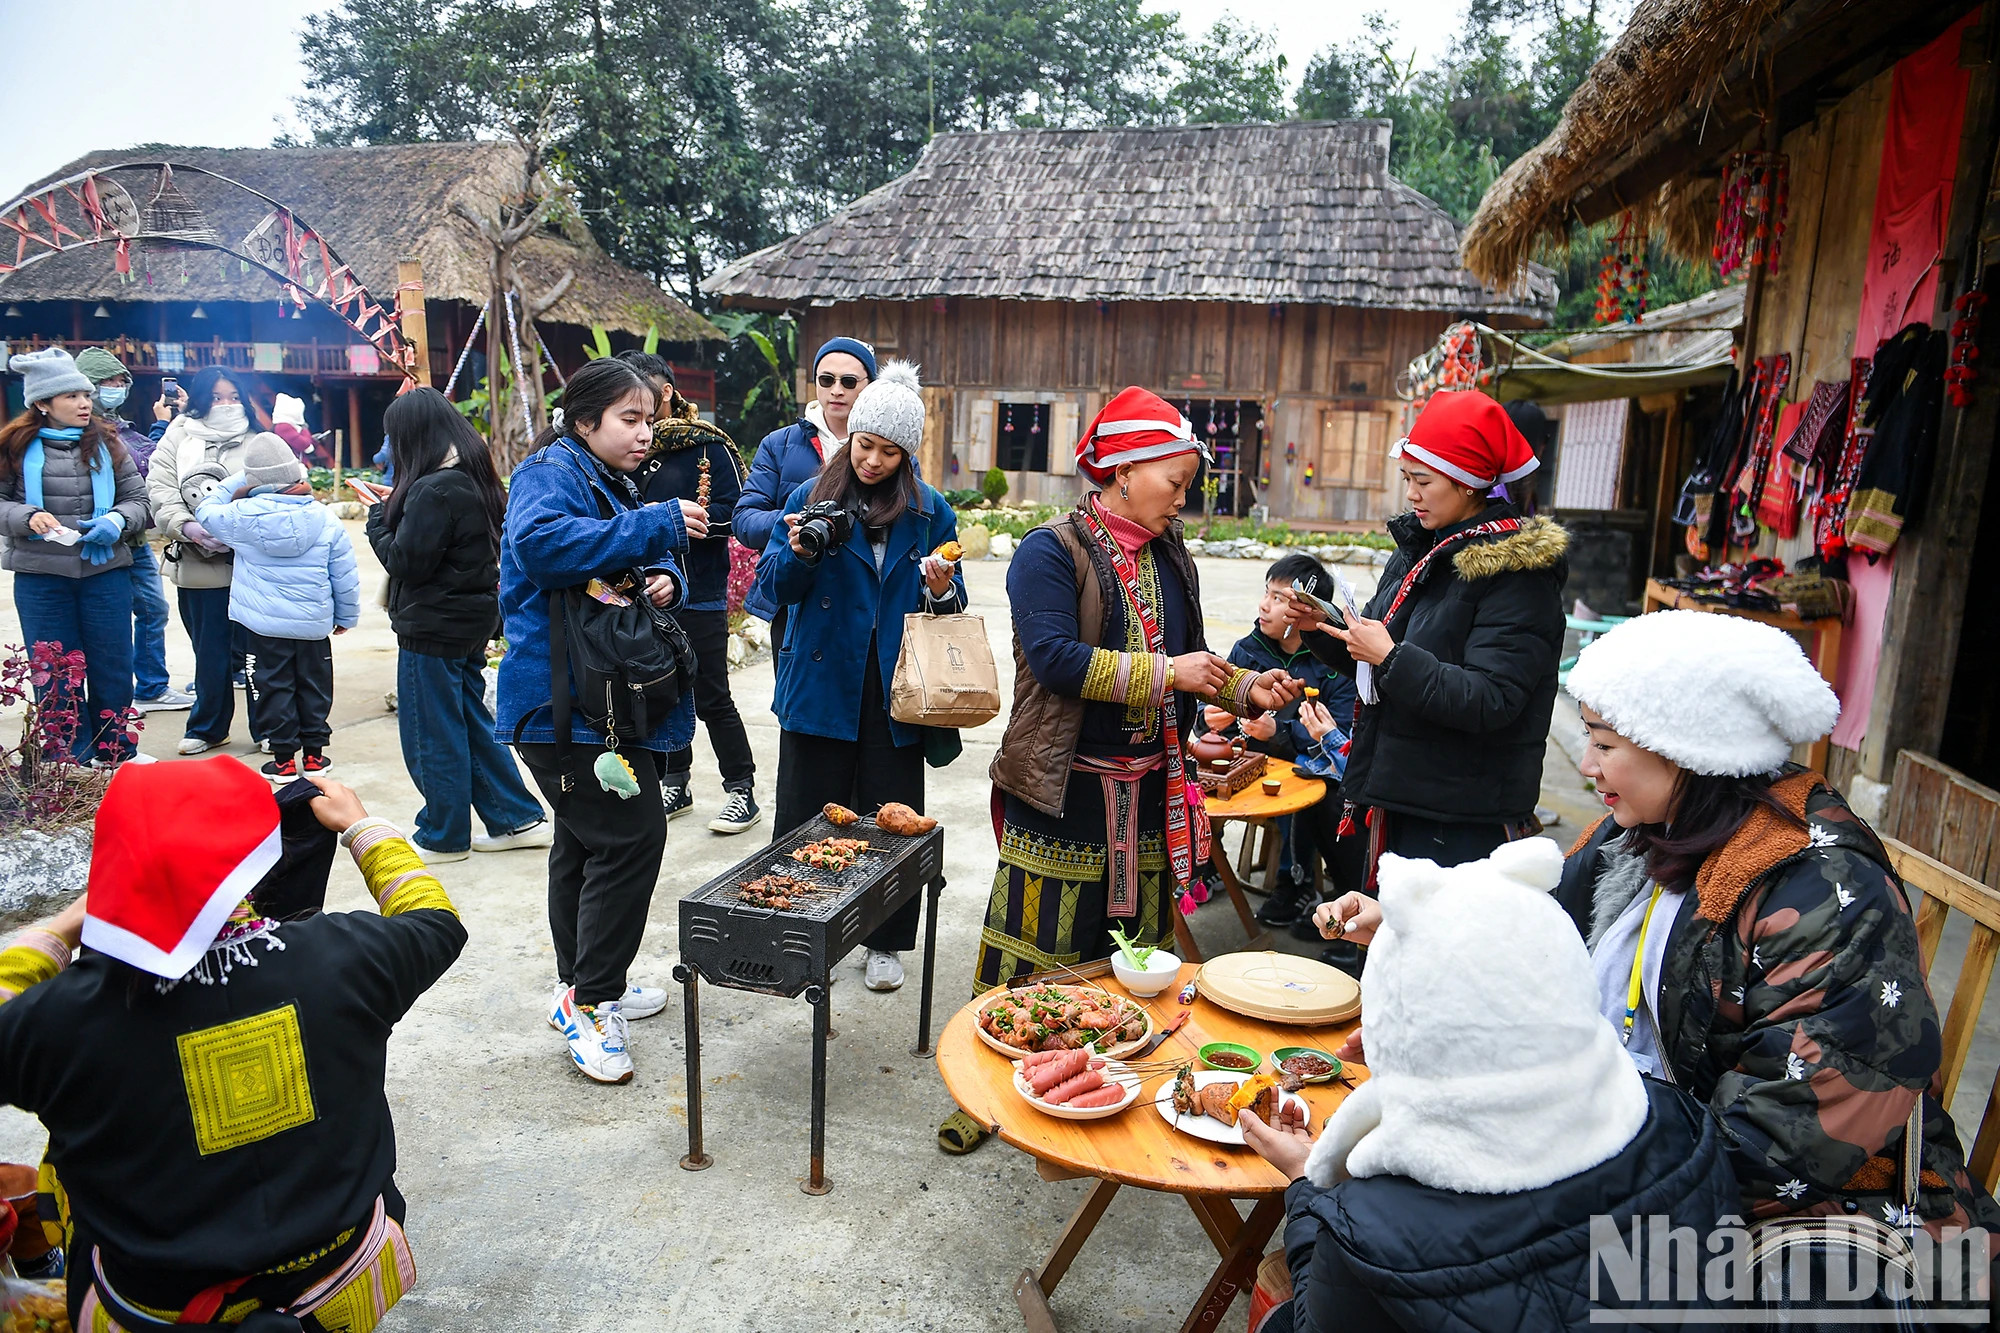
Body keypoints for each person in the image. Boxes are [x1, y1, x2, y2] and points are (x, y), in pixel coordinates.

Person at [1552, 611, 2000, 1277]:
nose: (1586, 764)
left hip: (1823, 1223)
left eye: (1605, 742)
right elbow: (1536, 936)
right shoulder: (1641, 832)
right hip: (1661, 1158)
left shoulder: (1822, 890)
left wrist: (1569, 1168)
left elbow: (1788, 1138)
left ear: (1685, 748)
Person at [942, 387, 1301, 1154]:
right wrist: (1171, 674)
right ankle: (988, 1092)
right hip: (1062, 788)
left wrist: (1246, 687)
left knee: (1127, 959)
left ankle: (1103, 1085)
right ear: (1123, 470)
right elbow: (1057, 661)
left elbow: (1195, 661)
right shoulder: (1050, 551)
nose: (1183, 497)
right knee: (1032, 948)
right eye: (1173, 481)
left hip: (1146, 794)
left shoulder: (1173, 555)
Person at [0, 757, 464, 1328]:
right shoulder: (344, 959)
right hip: (339, 1282)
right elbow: (435, 922)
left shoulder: (63, 1019)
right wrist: (363, 828)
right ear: (256, 866)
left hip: (150, 1308)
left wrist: (57, 930)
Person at [1239, 840, 1734, 1330]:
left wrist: (1307, 1189)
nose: (1589, 766)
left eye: (1606, 750)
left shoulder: (1376, 1219)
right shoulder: (1681, 1125)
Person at [497, 358, 705, 1085]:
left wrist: (665, 575)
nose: (646, 432)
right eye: (631, 418)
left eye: (650, 418)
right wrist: (655, 523)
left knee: (583, 844)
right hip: (560, 704)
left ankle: (579, 984)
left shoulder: (609, 477)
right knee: (633, 833)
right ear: (584, 421)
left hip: (604, 701)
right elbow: (542, 547)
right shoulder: (548, 474)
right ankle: (593, 1002)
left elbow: (649, 560)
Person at [1281, 389, 1566, 886]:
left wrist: (1390, 658)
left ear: (1469, 484)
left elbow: (1493, 699)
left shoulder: (1516, 573)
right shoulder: (1424, 547)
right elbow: (1376, 648)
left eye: (1423, 480)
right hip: (1406, 790)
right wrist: (1323, 631)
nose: (1410, 494)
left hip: (1460, 814)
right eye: (1406, 478)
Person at [752, 360, 965, 995]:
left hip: (895, 686)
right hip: (820, 682)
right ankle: (790, 928)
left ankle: (886, 939)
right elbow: (770, 590)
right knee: (804, 814)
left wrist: (943, 589)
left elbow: (953, 607)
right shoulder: (807, 499)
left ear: (908, 454)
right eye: (864, 445)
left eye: (888, 452)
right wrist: (795, 551)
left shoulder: (930, 513)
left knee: (889, 817)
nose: (871, 461)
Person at [367, 386, 550, 863]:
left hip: (432, 628)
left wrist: (376, 521)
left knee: (431, 733)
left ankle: (442, 834)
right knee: (471, 724)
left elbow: (407, 562)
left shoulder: (433, 488)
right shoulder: (474, 478)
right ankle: (516, 818)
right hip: (470, 623)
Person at [623, 350, 761, 834]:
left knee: (710, 694)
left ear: (664, 393)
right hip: (638, 594)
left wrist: (679, 523)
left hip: (697, 591)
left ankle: (741, 789)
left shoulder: (706, 446)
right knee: (662, 692)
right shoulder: (619, 450)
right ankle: (676, 782)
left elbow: (735, 512)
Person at [0, 348, 150, 764]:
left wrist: (119, 521)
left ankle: (117, 747)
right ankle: (66, 753)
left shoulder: (109, 443)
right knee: (54, 669)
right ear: (43, 404)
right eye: (71, 397)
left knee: (113, 661)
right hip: (40, 576)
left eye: (85, 395)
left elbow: (139, 499)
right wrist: (25, 516)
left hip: (106, 572)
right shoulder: (14, 445)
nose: (85, 403)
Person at [1206, 552, 1362, 937]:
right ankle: (1204, 868)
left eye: (1278, 598)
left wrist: (1278, 731)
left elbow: (1340, 735)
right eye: (1265, 593)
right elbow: (1211, 715)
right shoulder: (1249, 649)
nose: (1264, 605)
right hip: (1250, 763)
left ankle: (1296, 885)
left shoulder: (1334, 660)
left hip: (1304, 765)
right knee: (1202, 778)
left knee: (1309, 792)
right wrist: (1208, 717)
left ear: (1303, 611)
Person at [194, 433, 360, 783]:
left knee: (271, 687)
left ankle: (283, 759)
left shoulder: (239, 517)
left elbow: (204, 511)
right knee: (314, 685)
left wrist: (241, 479)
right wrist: (346, 616)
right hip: (313, 625)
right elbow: (343, 573)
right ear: (296, 475)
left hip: (263, 629)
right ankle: (315, 756)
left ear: (255, 480)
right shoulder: (325, 518)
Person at [147, 366, 261, 755]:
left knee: (259, 653)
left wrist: (240, 529)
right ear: (198, 399)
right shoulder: (178, 435)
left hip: (254, 564)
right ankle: (209, 726)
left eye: (233, 396)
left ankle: (268, 727)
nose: (226, 405)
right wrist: (188, 527)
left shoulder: (259, 437)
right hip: (198, 562)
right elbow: (160, 488)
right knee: (209, 651)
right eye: (216, 397)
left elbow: (282, 485)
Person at [73, 348, 191, 715]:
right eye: (107, 382)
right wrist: (164, 426)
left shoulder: (119, 426)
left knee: (153, 609)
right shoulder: (81, 432)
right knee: (113, 621)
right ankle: (120, 699)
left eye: (121, 382)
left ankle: (151, 685)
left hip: (133, 536)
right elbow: (144, 462)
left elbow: (147, 469)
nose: (117, 388)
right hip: (98, 538)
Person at [735, 336, 875, 630]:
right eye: (826, 380)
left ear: (869, 385)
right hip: (793, 599)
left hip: (864, 599)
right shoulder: (778, 444)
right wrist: (800, 524)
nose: (836, 390)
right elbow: (744, 519)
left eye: (849, 382)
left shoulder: (888, 451)